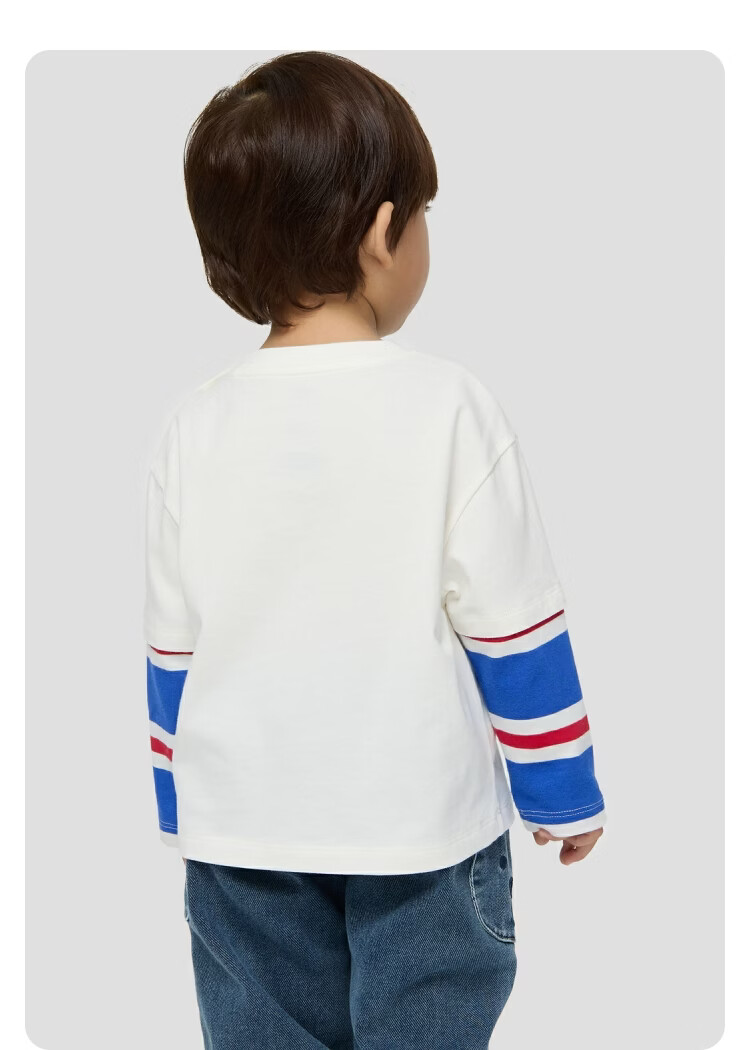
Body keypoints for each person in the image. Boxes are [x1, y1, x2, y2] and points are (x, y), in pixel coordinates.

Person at [143, 50, 607, 1050]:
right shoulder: (448, 408)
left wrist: (181, 807)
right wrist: (562, 790)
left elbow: (174, 646)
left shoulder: (195, 425)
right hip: (421, 837)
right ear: (382, 232)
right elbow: (512, 625)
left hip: (241, 840)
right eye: (422, 214)